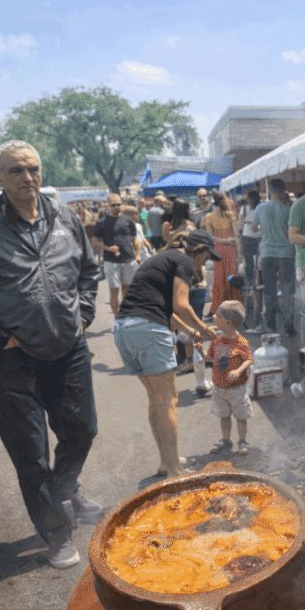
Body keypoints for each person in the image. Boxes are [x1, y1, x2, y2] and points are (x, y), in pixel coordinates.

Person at [0, 141, 102, 569]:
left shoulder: (64, 216)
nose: (27, 178)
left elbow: (89, 272)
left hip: (68, 346)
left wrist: (84, 315)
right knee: (30, 451)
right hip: (11, 359)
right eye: (15, 171)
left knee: (82, 430)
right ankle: (55, 531)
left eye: (32, 168)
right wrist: (0, 338)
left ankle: (65, 489)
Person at [112, 229, 221, 477]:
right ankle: (175, 469)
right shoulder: (183, 261)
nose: (204, 264)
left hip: (124, 330)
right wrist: (204, 329)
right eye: (205, 257)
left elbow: (167, 311)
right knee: (168, 400)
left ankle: (166, 462)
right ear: (198, 250)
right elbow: (181, 306)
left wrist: (192, 334)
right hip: (148, 329)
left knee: (156, 399)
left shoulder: (163, 259)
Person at [206, 300, 254, 456]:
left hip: (237, 389)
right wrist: (198, 348)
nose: (213, 316)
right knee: (223, 415)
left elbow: (248, 359)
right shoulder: (216, 340)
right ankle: (226, 440)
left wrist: (239, 371)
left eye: (217, 315)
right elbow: (209, 358)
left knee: (241, 417)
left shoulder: (241, 342)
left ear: (227, 322)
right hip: (219, 387)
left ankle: (242, 441)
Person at [252, 177, 296, 336]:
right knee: (287, 292)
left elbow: (254, 227)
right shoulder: (288, 210)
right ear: (283, 192)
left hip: (267, 254)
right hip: (286, 254)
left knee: (269, 292)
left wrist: (266, 230)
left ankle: (271, 328)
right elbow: (291, 232)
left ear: (269, 191)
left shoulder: (260, 208)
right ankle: (289, 327)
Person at [92, 193, 141, 316]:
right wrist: (107, 248)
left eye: (119, 204)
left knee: (128, 292)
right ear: (108, 205)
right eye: (113, 205)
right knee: (114, 293)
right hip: (111, 261)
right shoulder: (101, 222)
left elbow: (135, 239)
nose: (116, 207)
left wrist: (138, 254)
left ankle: (125, 318)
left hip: (129, 260)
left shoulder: (128, 220)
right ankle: (117, 320)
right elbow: (95, 241)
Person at [203, 191, 242, 315]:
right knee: (231, 276)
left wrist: (223, 241)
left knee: (219, 278)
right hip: (231, 249)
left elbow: (210, 237)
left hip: (218, 249)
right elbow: (236, 234)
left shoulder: (209, 216)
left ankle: (218, 307)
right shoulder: (231, 214)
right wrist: (239, 252)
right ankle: (235, 306)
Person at [239, 189, 262, 286]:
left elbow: (241, 222)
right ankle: (253, 281)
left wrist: (247, 222)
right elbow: (241, 222)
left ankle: (254, 281)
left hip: (253, 237)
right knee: (252, 262)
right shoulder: (244, 208)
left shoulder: (259, 208)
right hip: (251, 237)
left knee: (254, 262)